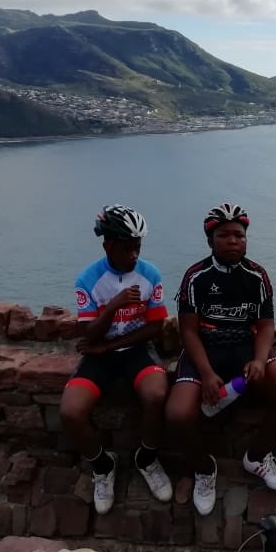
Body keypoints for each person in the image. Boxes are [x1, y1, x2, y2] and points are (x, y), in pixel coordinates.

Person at [166, 203, 276, 516]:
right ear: (210, 240)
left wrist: (259, 360)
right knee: (177, 414)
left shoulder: (257, 275)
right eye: (224, 235)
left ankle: (257, 456)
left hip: (246, 347)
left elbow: (266, 325)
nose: (233, 241)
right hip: (205, 351)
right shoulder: (195, 277)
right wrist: (206, 373)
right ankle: (204, 468)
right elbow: (187, 332)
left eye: (239, 235)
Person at [60, 205, 174, 516]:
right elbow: (88, 334)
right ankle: (102, 464)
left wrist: (111, 346)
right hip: (100, 355)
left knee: (157, 395)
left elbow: (154, 326)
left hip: (136, 348)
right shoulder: (88, 279)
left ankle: (147, 458)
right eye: (127, 248)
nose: (134, 254)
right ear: (108, 246)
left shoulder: (150, 274)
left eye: (138, 247)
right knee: (71, 411)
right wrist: (113, 306)